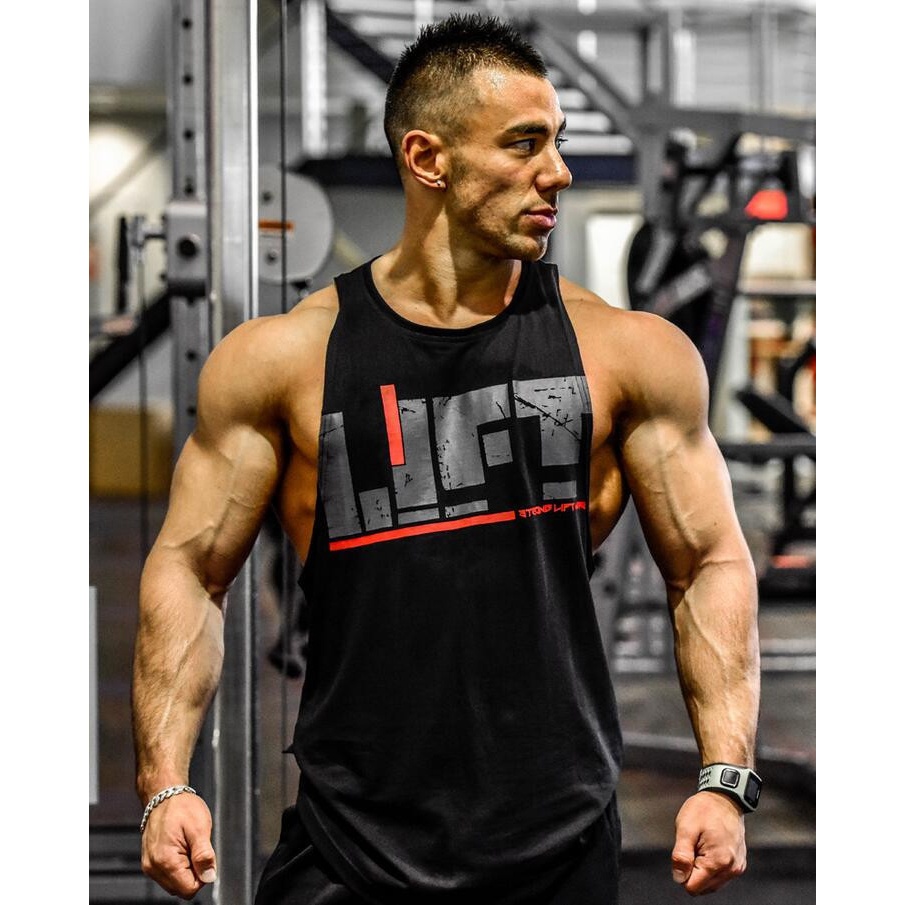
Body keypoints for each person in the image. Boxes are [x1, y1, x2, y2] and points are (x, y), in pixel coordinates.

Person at [132, 13, 760, 904]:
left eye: (557, 141)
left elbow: (708, 562)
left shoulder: (628, 353)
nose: (559, 170)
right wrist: (165, 780)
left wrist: (724, 776)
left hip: (557, 842)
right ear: (428, 158)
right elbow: (191, 569)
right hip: (348, 844)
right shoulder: (283, 360)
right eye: (525, 143)